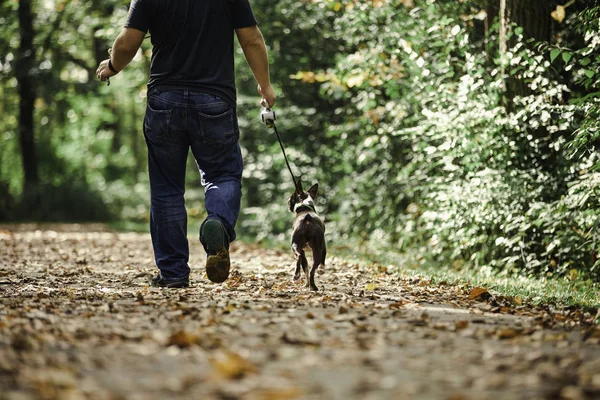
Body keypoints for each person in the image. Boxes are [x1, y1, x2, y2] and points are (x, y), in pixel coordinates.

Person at [95, 0, 276, 288]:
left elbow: (128, 41)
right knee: (223, 175)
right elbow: (251, 38)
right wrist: (265, 85)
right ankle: (217, 221)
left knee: (167, 189)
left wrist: (112, 66)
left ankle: (174, 273)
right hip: (215, 100)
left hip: (164, 100)